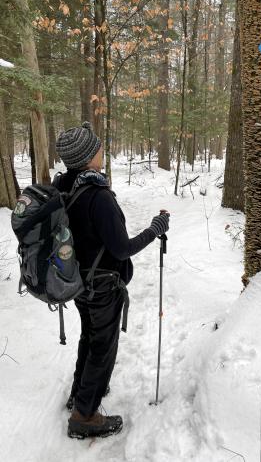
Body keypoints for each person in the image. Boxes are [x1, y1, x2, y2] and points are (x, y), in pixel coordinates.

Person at [53, 122, 169, 439]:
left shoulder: (65, 186)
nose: (102, 151)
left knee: (90, 338)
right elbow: (122, 248)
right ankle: (84, 416)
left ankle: (81, 394)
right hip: (102, 285)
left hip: (77, 279)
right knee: (102, 347)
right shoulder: (97, 195)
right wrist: (155, 228)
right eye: (98, 147)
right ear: (88, 155)